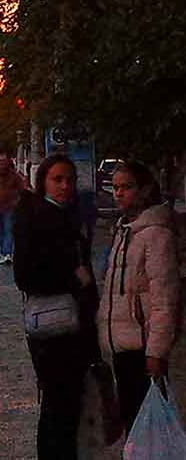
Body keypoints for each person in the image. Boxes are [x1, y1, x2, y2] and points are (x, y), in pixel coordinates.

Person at [14, 154, 100, 460]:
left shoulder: (68, 215)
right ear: (43, 182)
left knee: (66, 407)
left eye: (70, 180)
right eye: (57, 179)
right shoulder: (37, 218)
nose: (65, 186)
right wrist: (74, 278)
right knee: (58, 407)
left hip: (73, 326)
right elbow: (24, 275)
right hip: (54, 330)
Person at [97, 160, 180, 434]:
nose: (118, 193)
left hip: (143, 348)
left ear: (144, 190)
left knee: (148, 432)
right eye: (116, 187)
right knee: (134, 427)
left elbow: (164, 298)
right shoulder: (124, 231)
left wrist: (156, 351)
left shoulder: (155, 234)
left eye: (127, 187)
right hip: (122, 346)